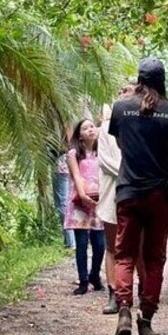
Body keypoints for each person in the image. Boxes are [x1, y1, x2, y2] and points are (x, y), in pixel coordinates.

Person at [108, 57, 168, 335]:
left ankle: (123, 309)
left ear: (139, 78)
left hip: (128, 192)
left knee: (124, 255)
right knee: (154, 258)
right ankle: (145, 321)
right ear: (163, 79)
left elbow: (122, 144)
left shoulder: (121, 108)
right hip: (159, 193)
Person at [97, 83, 139, 314]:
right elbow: (104, 160)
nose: (124, 94)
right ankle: (114, 293)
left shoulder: (143, 122)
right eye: (121, 91)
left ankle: (138, 290)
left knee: (138, 243)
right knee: (112, 246)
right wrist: (130, 172)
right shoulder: (105, 128)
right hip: (113, 191)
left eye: (130, 90)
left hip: (135, 189)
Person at [64, 119, 105, 295]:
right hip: (80, 203)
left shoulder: (103, 151)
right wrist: (83, 195)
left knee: (100, 243)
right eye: (85, 128)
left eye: (92, 127)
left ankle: (95, 275)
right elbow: (76, 176)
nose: (90, 130)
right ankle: (83, 280)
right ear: (79, 135)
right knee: (81, 243)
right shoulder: (74, 153)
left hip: (99, 202)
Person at [51, 127, 75, 248]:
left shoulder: (64, 124)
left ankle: (71, 241)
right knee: (63, 202)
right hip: (64, 166)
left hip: (61, 167)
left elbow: (69, 144)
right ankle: (69, 240)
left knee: (62, 204)